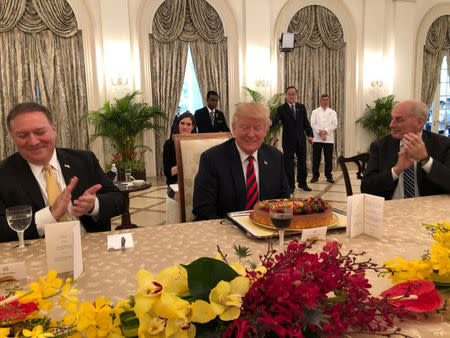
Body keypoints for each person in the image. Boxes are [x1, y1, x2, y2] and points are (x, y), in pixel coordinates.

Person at [0, 102, 126, 243]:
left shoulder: (84, 160)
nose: (33, 141)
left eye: (40, 132)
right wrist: (49, 215)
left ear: (54, 130)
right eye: (23, 135)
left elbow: (119, 200)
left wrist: (93, 205)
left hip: (91, 248)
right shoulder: (3, 173)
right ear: (13, 138)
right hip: (36, 256)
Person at [193, 102, 289, 220]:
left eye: (257, 128)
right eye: (244, 127)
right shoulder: (211, 159)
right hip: (225, 230)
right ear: (233, 128)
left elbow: (284, 201)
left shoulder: (275, 157)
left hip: (266, 229)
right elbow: (203, 209)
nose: (251, 134)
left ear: (265, 131)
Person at [361, 100, 450, 199]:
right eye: (392, 119)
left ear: (419, 122)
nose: (391, 125)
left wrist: (425, 161)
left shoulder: (443, 145)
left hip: (429, 211)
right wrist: (396, 170)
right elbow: (366, 187)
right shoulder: (380, 146)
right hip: (391, 210)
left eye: (399, 119)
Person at [271, 86, 314, 193]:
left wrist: (310, 135)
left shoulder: (301, 107)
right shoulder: (281, 109)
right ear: (286, 96)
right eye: (289, 94)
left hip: (301, 140)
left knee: (302, 163)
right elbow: (275, 120)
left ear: (296, 95)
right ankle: (290, 185)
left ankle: (302, 183)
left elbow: (306, 123)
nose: (291, 96)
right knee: (288, 164)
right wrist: (267, 123)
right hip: (288, 141)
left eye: (293, 94)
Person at [163, 112, 196, 201]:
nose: (185, 127)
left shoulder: (197, 143)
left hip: (195, 181)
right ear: (178, 125)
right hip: (175, 183)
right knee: (182, 195)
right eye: (182, 123)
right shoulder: (169, 144)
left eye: (188, 124)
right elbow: (168, 173)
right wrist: (184, 163)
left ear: (192, 127)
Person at [310, 94, 338, 183]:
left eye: (326, 100)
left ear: (328, 101)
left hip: (328, 139)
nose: (325, 101)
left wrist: (325, 132)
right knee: (316, 158)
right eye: (323, 100)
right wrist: (320, 133)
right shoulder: (315, 112)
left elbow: (334, 124)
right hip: (317, 138)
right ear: (320, 101)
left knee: (328, 158)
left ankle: (329, 176)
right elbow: (313, 124)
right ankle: (315, 176)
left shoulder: (333, 112)